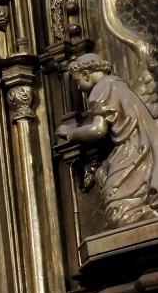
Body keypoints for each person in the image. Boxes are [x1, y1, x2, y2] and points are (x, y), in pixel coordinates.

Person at [57, 54, 158, 226]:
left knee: (119, 211)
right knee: (102, 176)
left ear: (86, 74)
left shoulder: (101, 89)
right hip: (140, 146)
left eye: (78, 81)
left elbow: (98, 130)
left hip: (133, 150)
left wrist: (71, 133)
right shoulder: (118, 85)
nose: (79, 87)